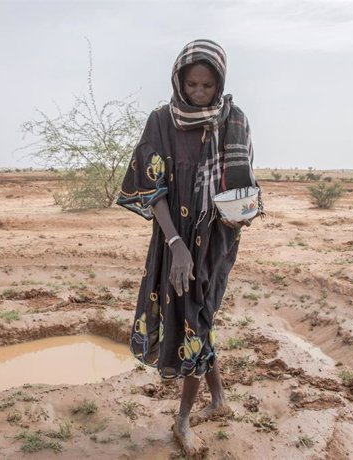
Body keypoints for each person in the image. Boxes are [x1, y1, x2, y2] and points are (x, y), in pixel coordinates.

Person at [116, 39, 262, 457]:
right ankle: (216, 402)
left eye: (207, 86)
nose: (198, 93)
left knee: (199, 318)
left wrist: (243, 212)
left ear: (220, 83)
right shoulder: (161, 122)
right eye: (192, 84)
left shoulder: (234, 121)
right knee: (196, 317)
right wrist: (177, 244)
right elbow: (152, 187)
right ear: (178, 80)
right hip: (172, 239)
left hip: (216, 241)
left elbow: (242, 184)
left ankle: (183, 417)